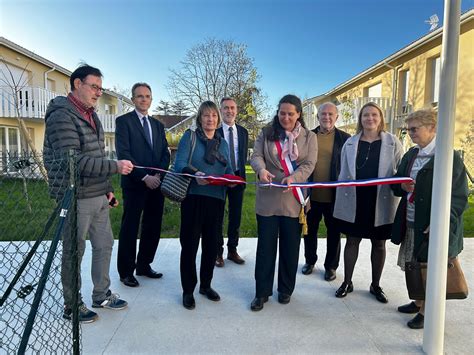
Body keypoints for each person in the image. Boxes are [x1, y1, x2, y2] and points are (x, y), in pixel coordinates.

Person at [43, 64, 133, 323]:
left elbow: (96, 156)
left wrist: (108, 189)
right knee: (74, 251)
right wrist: (116, 167)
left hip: (97, 195)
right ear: (76, 84)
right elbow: (76, 161)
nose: (97, 92)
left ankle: (102, 295)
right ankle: (72, 306)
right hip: (75, 196)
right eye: (93, 86)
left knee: (104, 245)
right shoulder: (62, 115)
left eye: (100, 88)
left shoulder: (91, 115)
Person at [391, 109, 468, 329]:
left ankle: (428, 311)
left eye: (414, 129)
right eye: (408, 130)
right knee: (415, 264)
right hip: (412, 220)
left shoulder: (447, 156)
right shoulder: (412, 154)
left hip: (432, 225)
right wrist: (401, 185)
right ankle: (418, 301)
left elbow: (459, 196)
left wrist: (441, 222)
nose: (411, 134)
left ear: (432, 128)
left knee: (430, 268)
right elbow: (396, 183)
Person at [250, 94, 317, 311]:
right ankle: (261, 293)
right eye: (282, 113)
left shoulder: (309, 137)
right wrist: (260, 170)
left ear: (299, 115)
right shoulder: (266, 132)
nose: (285, 117)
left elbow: (309, 164)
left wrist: (294, 178)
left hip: (294, 200)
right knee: (265, 249)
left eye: (290, 113)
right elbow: (256, 155)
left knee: (290, 248)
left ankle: (286, 289)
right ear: (277, 113)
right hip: (268, 199)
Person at [333, 102, 403, 303]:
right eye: (365, 115)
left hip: (380, 200)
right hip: (355, 199)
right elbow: (342, 170)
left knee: (379, 244)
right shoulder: (351, 142)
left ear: (380, 118)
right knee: (352, 241)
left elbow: (399, 170)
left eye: (374, 115)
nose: (370, 118)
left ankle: (375, 285)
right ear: (360, 119)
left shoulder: (393, 142)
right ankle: (347, 281)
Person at [174, 101, 233, 310]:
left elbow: (230, 170)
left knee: (211, 246)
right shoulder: (190, 138)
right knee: (189, 245)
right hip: (193, 197)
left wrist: (233, 179)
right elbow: (179, 164)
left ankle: (206, 285)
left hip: (216, 199)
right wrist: (195, 174)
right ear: (200, 118)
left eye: (214, 116)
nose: (211, 119)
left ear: (218, 119)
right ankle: (188, 290)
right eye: (206, 116)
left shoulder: (223, 143)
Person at [115, 83, 170, 287]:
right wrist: (144, 177)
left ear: (151, 99)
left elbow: (165, 153)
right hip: (135, 183)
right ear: (133, 99)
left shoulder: (157, 125)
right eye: (139, 96)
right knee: (130, 227)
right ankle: (126, 271)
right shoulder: (123, 122)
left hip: (156, 183)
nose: (144, 99)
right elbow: (124, 154)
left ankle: (144, 265)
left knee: (152, 226)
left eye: (147, 96)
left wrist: (157, 174)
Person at [301, 102, 350, 281]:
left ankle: (331, 266)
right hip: (311, 196)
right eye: (323, 114)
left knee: (334, 233)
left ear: (336, 117)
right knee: (309, 231)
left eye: (331, 114)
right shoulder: (308, 136)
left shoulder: (345, 139)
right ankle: (310, 261)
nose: (327, 117)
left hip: (334, 196)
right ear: (318, 116)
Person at [215, 97, 249, 267]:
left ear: (237, 110)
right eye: (226, 108)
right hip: (220, 179)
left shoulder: (243, 132)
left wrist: (240, 176)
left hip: (238, 178)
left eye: (232, 108)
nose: (229, 111)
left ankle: (232, 250)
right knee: (218, 217)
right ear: (221, 111)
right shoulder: (214, 131)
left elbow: (242, 156)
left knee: (235, 217)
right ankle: (218, 253)